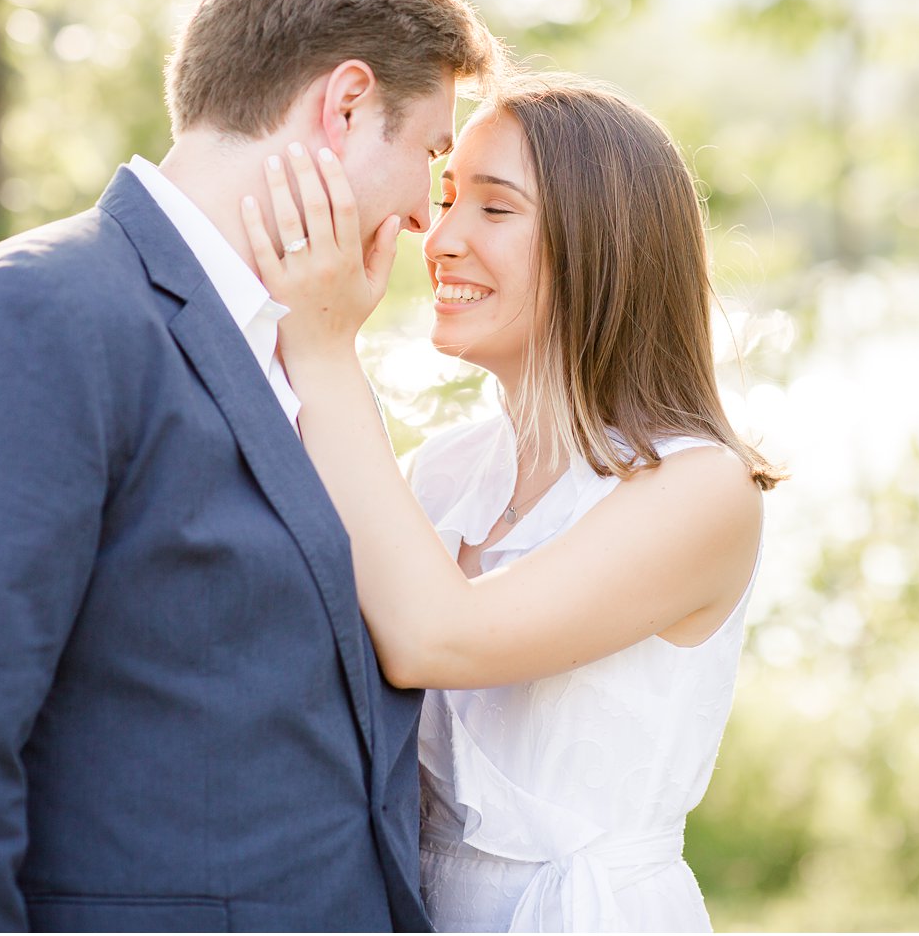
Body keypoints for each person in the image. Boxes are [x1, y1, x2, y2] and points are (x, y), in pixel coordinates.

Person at [0, 0, 500, 931]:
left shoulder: (296, 353)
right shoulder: (39, 319)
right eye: (429, 156)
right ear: (347, 105)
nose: (419, 218)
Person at [240, 74, 785, 932]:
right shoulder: (447, 472)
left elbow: (437, 637)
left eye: (493, 211)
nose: (441, 237)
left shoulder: (701, 488)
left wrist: (321, 345)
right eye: (448, 196)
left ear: (605, 247)